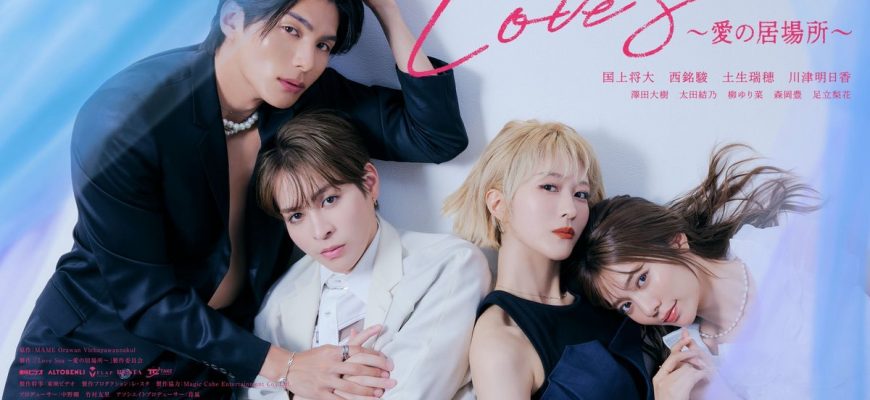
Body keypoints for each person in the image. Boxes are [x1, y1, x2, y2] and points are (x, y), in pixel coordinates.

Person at [3, 0, 468, 398]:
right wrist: (289, 366)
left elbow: (436, 135)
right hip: (87, 358)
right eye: (292, 31)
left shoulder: (303, 99)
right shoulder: (126, 116)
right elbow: (146, 299)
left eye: (324, 45)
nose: (306, 60)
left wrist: (388, 11)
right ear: (232, 18)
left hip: (209, 365)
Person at [241, 112, 489, 399]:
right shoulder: (279, 303)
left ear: (369, 184)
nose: (320, 231)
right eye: (296, 215)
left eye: (329, 200)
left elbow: (411, 394)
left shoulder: (449, 265)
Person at [570, 144, 823, 399]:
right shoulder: (693, 366)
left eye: (642, 279)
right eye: (626, 305)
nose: (648, 309)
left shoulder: (781, 250)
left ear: (676, 242)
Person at [443, 120, 651, 400]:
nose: (570, 210)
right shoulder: (502, 340)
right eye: (549, 187)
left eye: (580, 194)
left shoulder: (602, 290)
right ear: (498, 204)